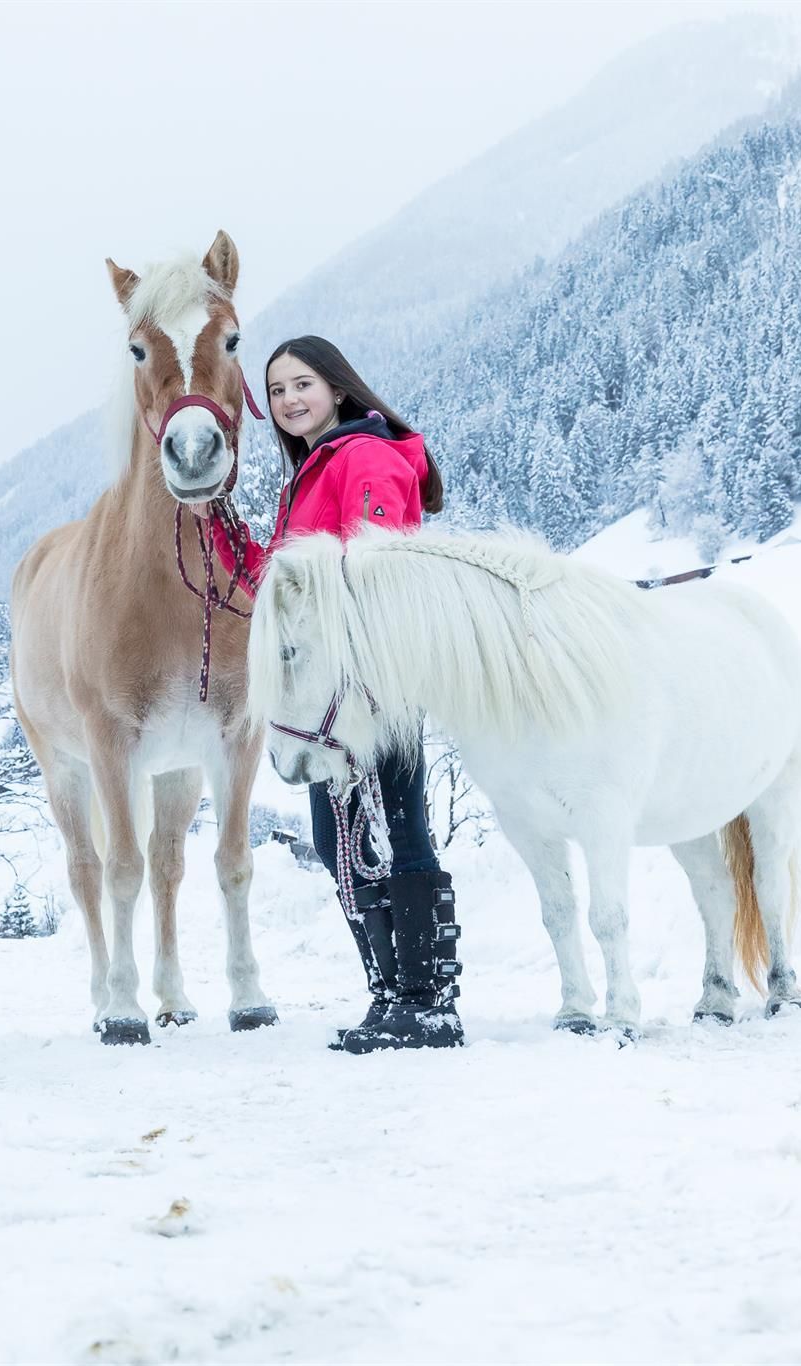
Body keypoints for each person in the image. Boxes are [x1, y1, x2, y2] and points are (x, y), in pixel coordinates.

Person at [263, 336, 461, 1053]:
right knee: (341, 839)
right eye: (277, 390)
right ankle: (391, 995)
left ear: (338, 389)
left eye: (302, 383)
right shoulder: (312, 471)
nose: (289, 400)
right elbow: (290, 583)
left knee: (397, 831)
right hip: (331, 696)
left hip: (376, 682)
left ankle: (428, 1004)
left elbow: (372, 565)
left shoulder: (365, 457)